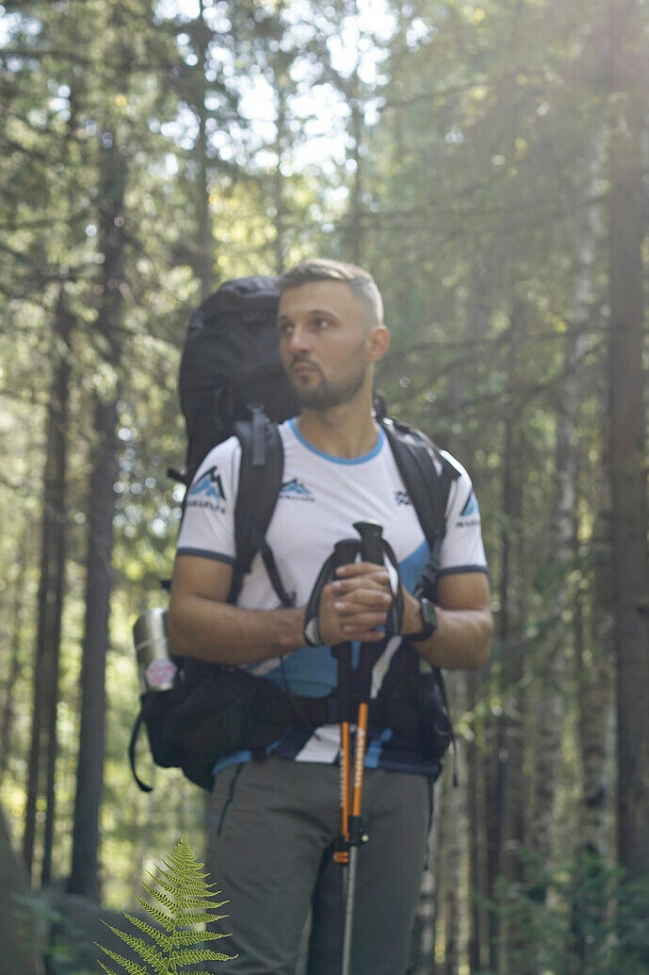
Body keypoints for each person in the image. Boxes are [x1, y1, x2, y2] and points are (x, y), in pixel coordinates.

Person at [167, 258, 492, 975]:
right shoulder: (237, 464)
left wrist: (412, 615)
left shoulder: (437, 477)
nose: (297, 343)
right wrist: (304, 628)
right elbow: (185, 619)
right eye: (287, 327)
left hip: (395, 771)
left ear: (375, 343)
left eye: (321, 324)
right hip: (267, 762)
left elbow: (476, 635)